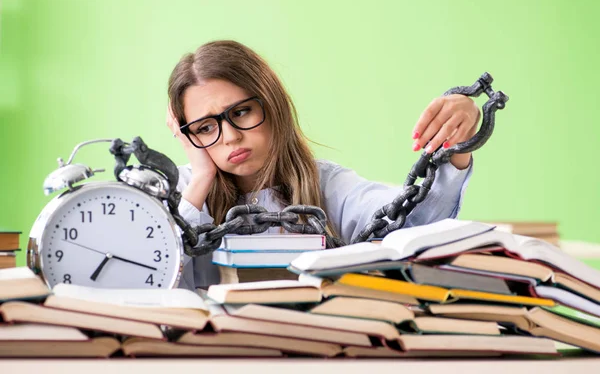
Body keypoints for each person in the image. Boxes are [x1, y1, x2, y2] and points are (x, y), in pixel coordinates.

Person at [166, 40, 479, 290]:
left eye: (241, 112)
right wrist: (201, 179)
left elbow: (416, 222)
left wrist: (457, 145)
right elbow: (161, 281)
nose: (231, 137)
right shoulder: (180, 194)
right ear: (186, 135)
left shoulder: (328, 186)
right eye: (205, 128)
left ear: (273, 104)